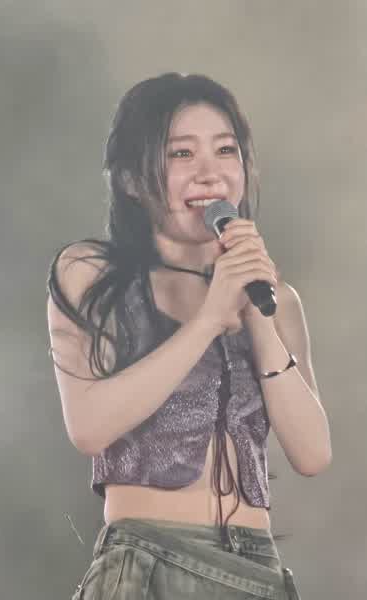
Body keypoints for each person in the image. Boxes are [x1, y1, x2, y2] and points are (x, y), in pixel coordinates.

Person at [46, 72, 332, 599]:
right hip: (149, 559)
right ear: (131, 180)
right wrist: (207, 321)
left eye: (226, 150)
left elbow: (312, 453)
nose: (210, 173)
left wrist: (256, 313)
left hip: (258, 570)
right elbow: (89, 426)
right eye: (181, 153)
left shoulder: (277, 300)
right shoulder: (92, 274)